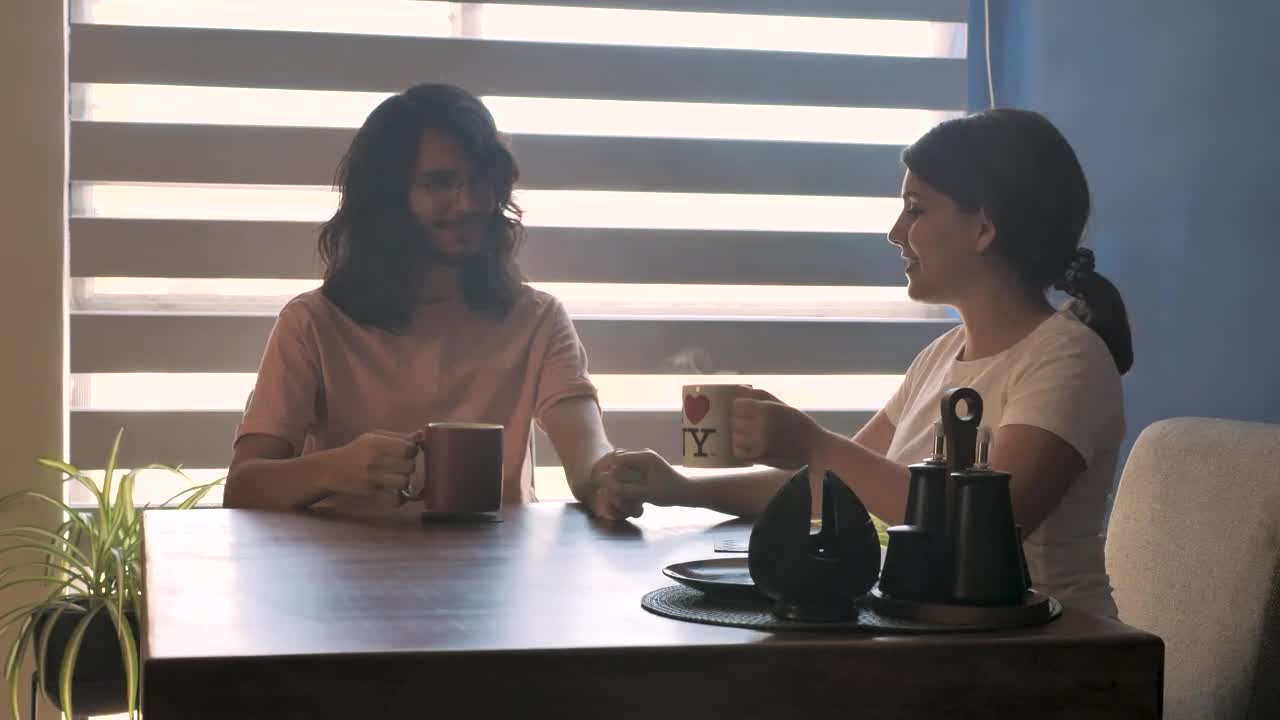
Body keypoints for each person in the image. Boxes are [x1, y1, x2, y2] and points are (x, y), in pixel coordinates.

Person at [600, 108, 1132, 618]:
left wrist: (814, 443)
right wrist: (680, 490)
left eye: (916, 208)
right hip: (941, 645)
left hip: (1052, 657)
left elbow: (979, 532)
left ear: (983, 228)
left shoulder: (1067, 360)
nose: (895, 231)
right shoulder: (941, 358)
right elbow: (835, 488)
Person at [224, 84, 639, 520]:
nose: (470, 203)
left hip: (497, 577)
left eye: (481, 181)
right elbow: (244, 484)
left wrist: (609, 482)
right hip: (351, 578)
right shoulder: (312, 322)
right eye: (441, 182)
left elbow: (588, 455)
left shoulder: (537, 318)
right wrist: (332, 468)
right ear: (387, 198)